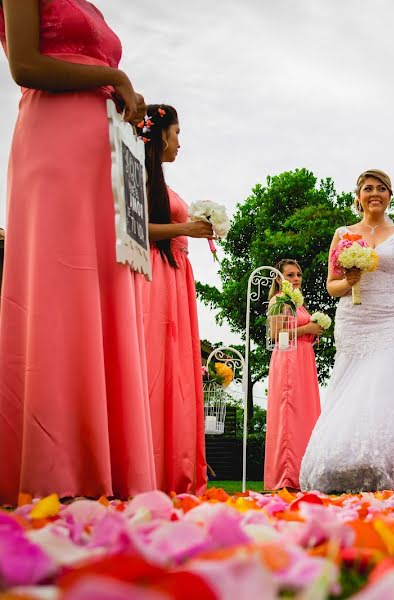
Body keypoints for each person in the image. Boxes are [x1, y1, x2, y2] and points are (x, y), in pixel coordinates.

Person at [0, 0, 156, 504]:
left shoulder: (89, 6)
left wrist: (123, 101)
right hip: (55, 144)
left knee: (104, 290)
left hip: (103, 153)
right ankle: (55, 466)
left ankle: (106, 462)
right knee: (59, 289)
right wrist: (116, 76)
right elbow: (24, 65)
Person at [300, 169, 394, 493]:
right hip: (354, 320)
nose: (375, 193)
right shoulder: (343, 234)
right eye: (368, 188)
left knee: (386, 380)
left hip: (393, 319)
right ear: (358, 196)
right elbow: (332, 286)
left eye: (381, 188)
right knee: (354, 387)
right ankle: (354, 463)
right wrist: (349, 282)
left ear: (389, 195)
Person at [141, 103, 213, 495]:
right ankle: (150, 461)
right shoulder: (137, 175)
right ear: (160, 133)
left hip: (177, 273)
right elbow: (132, 227)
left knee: (177, 368)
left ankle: (175, 462)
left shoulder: (162, 183)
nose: (180, 141)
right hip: (155, 274)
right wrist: (186, 227)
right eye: (177, 132)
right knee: (156, 362)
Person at [264, 259, 323, 491]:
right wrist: (307, 329)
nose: (296, 278)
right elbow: (277, 335)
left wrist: (313, 334)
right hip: (289, 360)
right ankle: (288, 475)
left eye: (298, 274)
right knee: (290, 414)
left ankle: (305, 472)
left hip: (304, 360)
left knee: (305, 414)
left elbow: (297, 331)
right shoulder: (279, 300)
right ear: (279, 279)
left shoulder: (298, 303)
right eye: (290, 275)